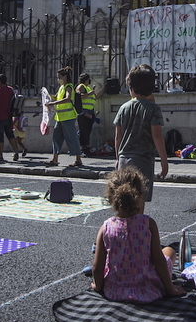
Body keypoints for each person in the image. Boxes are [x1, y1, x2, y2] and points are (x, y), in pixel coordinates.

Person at [91, 166, 186, 303]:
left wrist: (98, 286)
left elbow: (97, 267)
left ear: (111, 198)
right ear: (140, 197)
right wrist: (170, 289)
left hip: (115, 290)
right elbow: (158, 260)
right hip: (147, 289)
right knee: (169, 251)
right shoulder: (148, 224)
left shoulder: (106, 227)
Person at [112, 64, 169, 202]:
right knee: (139, 199)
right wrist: (164, 160)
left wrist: (117, 158)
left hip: (124, 159)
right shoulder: (153, 109)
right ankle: (139, 223)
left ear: (131, 88)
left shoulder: (123, 108)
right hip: (143, 159)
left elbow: (117, 137)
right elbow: (157, 136)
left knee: (124, 199)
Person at [45, 67, 81, 167]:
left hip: (68, 117)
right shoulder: (61, 87)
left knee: (72, 138)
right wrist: (46, 95)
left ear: (64, 76)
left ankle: (78, 159)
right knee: (56, 138)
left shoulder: (69, 86)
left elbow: (67, 99)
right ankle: (55, 159)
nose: (58, 79)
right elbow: (56, 97)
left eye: (59, 77)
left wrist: (53, 103)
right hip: (60, 117)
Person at [0, 74, 19, 162]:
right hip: (9, 116)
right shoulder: (10, 90)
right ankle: (16, 151)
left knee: (0, 136)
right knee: (10, 135)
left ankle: (0, 155)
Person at [76, 73, 101, 155]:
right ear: (87, 79)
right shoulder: (81, 86)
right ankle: (81, 148)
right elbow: (78, 96)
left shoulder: (87, 88)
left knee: (87, 131)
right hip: (83, 113)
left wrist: (104, 88)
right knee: (83, 131)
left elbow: (95, 96)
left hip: (90, 112)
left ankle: (84, 147)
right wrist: (89, 94)